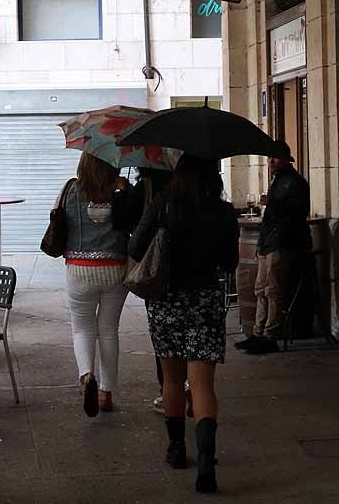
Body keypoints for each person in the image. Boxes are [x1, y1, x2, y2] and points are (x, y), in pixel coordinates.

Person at [129, 155, 239, 494]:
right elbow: (230, 262)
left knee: (173, 380)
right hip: (204, 300)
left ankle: (177, 449)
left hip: (166, 301)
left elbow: (135, 247)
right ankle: (206, 460)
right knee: (203, 385)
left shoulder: (163, 204)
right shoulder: (223, 211)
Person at [112, 167, 187, 415]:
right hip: (200, 285)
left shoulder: (150, 193)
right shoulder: (204, 199)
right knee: (194, 340)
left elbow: (130, 237)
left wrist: (122, 192)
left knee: (164, 340)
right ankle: (192, 386)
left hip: (159, 276)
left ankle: (168, 391)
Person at [61, 152, 131, 417]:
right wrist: (124, 191)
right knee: (109, 330)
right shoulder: (120, 190)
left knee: (82, 329)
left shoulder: (71, 189)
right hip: (115, 268)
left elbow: (60, 219)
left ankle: (86, 375)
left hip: (79, 269)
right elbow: (130, 223)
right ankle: (106, 393)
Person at [237, 140, 311, 355]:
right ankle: (257, 333)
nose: (271, 161)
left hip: (282, 241)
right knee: (260, 289)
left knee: (273, 290)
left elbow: (298, 213)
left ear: (286, 160)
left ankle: (270, 335)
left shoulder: (295, 182)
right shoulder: (278, 180)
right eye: (270, 157)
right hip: (269, 240)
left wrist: (273, 202)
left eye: (275, 157)